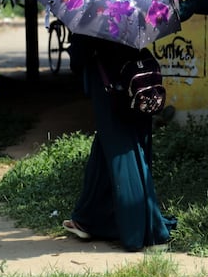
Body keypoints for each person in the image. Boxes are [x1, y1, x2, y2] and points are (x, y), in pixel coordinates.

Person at [63, 34, 176, 252]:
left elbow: (79, 57)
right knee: (112, 147)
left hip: (110, 85)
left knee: (124, 156)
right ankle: (87, 219)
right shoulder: (139, 4)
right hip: (138, 80)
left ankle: (148, 234)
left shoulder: (94, 10)